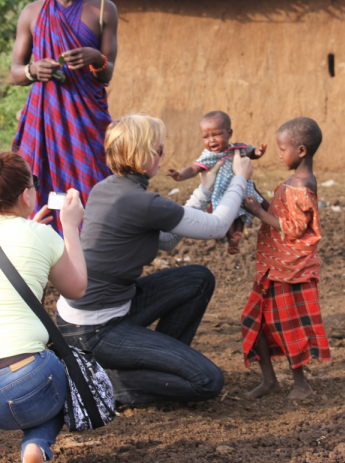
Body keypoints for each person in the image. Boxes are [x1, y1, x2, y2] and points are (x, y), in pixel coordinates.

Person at [55, 113, 254, 406]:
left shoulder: (105, 188)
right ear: (143, 154)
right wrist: (240, 179)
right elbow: (217, 226)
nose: (162, 155)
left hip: (93, 313)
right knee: (206, 381)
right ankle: (102, 383)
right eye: (159, 149)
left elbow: (168, 241)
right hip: (94, 330)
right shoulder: (143, 202)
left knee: (197, 279)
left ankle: (163, 362)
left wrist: (205, 187)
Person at [11, 0, 118, 234]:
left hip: (87, 116)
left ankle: (92, 253)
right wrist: (33, 70)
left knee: (94, 182)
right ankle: (48, 252)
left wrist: (96, 59)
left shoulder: (103, 9)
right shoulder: (33, 13)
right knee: (44, 186)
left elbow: (107, 73)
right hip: (46, 116)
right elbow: (15, 72)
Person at [0, 152, 87, 463]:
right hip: (27, 384)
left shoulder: (33, 234)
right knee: (60, 370)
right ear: (26, 194)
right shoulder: (42, 237)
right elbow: (77, 289)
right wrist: (69, 228)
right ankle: (35, 451)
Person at [241, 117, 331, 400]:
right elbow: (280, 217)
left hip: (291, 271)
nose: (279, 155)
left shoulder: (304, 186)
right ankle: (270, 381)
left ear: (301, 151)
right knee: (255, 321)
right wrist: (257, 198)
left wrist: (258, 212)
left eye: (283, 149)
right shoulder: (291, 182)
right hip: (273, 267)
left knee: (287, 326)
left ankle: (301, 385)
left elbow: (292, 228)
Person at [168, 110, 266, 254]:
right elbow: (194, 168)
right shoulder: (209, 156)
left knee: (243, 210)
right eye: (206, 137)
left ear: (229, 133)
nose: (211, 140)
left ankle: (238, 234)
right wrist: (181, 175)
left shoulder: (237, 148)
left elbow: (250, 153)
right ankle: (231, 238)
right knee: (227, 214)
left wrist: (257, 152)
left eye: (216, 134)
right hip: (223, 191)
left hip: (243, 187)